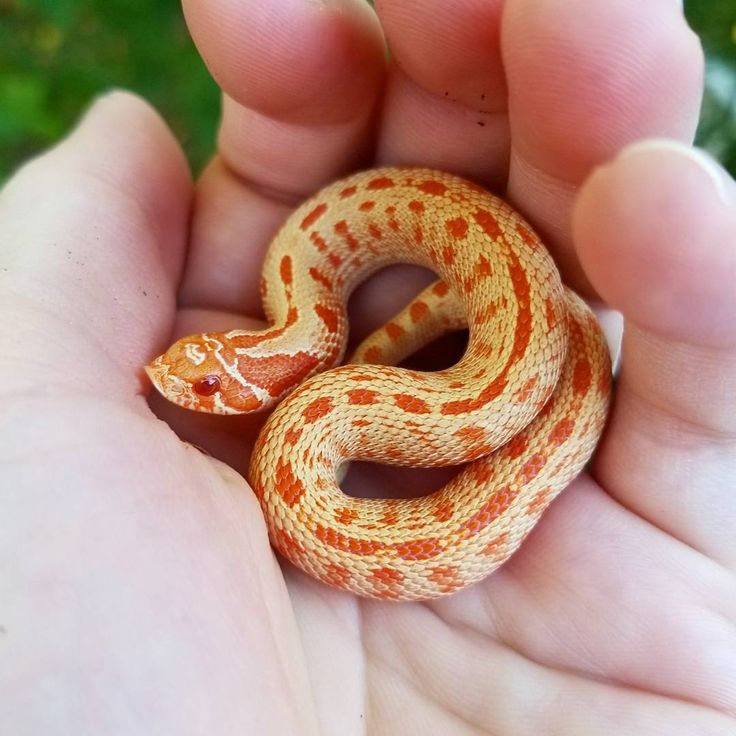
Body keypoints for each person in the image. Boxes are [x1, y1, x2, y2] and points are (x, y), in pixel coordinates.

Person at [1, 0, 734, 733]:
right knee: (522, 344)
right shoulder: (300, 297)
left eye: (209, 383)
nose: (180, 379)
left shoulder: (305, 304)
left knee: (536, 339)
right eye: (202, 379)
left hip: (493, 362)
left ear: (265, 375)